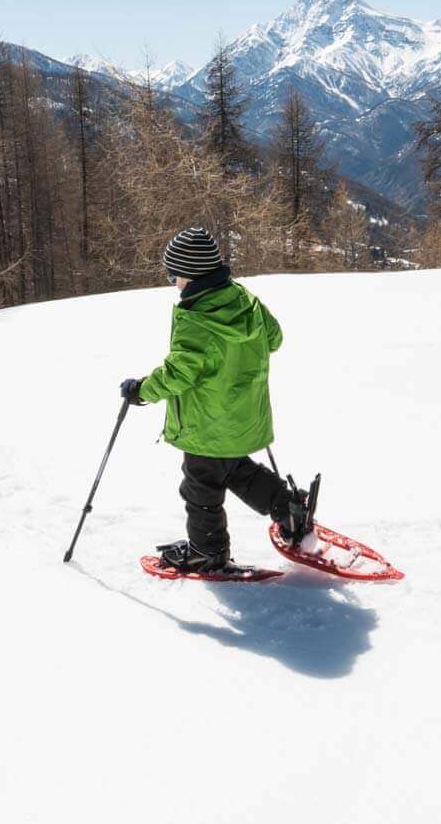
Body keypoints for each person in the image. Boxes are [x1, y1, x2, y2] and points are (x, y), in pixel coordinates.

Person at [121, 226, 312, 572]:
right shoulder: (244, 300)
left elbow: (180, 373)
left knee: (200, 488)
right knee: (236, 470)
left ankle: (207, 552)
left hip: (206, 424)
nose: (172, 281)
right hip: (242, 416)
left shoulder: (197, 320)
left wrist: (141, 390)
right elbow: (275, 338)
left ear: (190, 274)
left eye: (173, 274)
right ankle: (290, 508)